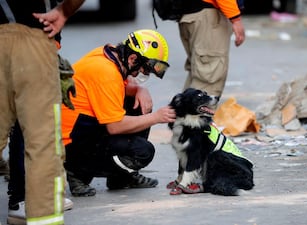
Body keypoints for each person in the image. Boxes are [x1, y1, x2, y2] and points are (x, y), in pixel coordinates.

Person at [62, 29, 176, 197]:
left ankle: (121, 178)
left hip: (84, 128)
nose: (143, 74)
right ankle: (77, 172)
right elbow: (114, 127)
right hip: (71, 143)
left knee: (139, 105)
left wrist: (139, 89)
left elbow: (120, 88)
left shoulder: (109, 53)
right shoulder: (106, 72)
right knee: (143, 152)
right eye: (144, 70)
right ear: (132, 59)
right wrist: (155, 118)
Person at [0, 0, 84, 224]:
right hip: (33, 38)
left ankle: (20, 201)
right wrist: (64, 10)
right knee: (41, 142)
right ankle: (26, 203)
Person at [178, 0, 246, 102]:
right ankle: (196, 117)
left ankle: (183, 115)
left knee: (200, 73)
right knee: (209, 77)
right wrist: (235, 18)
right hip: (208, 15)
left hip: (190, 14)